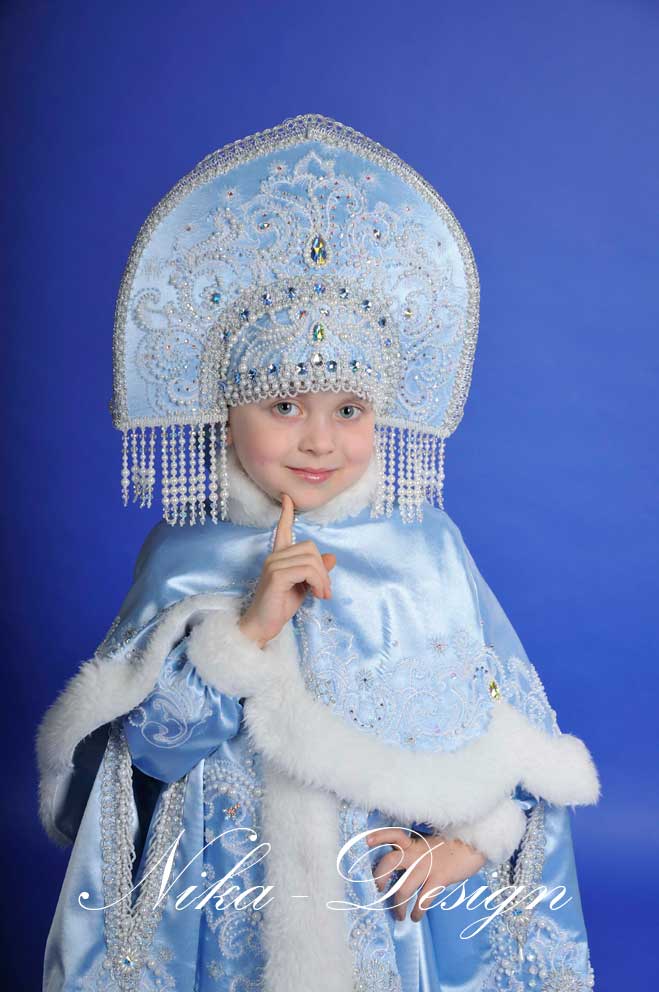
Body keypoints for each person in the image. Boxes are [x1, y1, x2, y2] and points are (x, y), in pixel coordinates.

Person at [37, 113, 600, 992]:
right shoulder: (189, 556)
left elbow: (509, 728)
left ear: (382, 416)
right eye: (283, 404)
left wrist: (469, 841)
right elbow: (146, 762)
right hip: (228, 902)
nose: (318, 440)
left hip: (384, 902)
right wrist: (245, 634)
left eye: (348, 409)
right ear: (226, 410)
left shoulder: (424, 550)